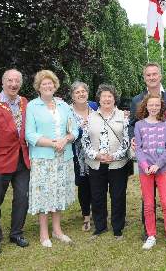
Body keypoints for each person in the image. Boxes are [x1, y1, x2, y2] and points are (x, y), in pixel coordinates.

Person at [25, 70, 78, 248]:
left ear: (55, 85)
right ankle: (43, 233)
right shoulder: (32, 106)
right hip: (43, 158)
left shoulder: (64, 106)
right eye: (43, 84)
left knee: (58, 192)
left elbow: (75, 130)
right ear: (38, 87)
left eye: (50, 83)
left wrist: (66, 139)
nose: (47, 86)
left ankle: (57, 230)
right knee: (44, 194)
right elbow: (30, 134)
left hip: (63, 157)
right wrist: (52, 143)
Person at [0, 69, 31, 256]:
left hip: (22, 160)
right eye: (9, 80)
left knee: (22, 199)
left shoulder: (25, 102)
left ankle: (16, 233)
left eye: (17, 81)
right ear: (3, 82)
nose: (13, 84)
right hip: (0, 161)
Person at [129, 62, 166, 239]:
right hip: (145, 154)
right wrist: (133, 137)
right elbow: (132, 123)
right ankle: (148, 230)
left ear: (160, 76)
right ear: (144, 77)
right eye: (148, 75)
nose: (152, 77)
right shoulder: (136, 100)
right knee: (147, 198)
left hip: (165, 154)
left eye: (155, 74)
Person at [82, 84, 130, 239]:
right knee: (97, 196)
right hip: (96, 164)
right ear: (99, 99)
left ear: (114, 98)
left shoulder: (124, 116)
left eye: (110, 96)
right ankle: (100, 226)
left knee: (117, 196)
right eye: (104, 96)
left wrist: (114, 156)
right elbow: (85, 141)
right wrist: (96, 155)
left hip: (117, 164)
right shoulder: (90, 118)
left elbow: (127, 141)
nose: (107, 99)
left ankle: (118, 228)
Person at [135, 94, 166, 252]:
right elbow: (138, 149)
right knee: (148, 205)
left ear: (161, 106)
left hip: (162, 169)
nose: (154, 107)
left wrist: (158, 165)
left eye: (156, 105)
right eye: (151, 105)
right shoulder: (139, 125)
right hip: (145, 170)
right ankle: (151, 235)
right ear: (146, 106)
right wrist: (145, 165)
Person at [70, 81, 98, 232]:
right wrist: (81, 128)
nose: (81, 94)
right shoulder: (67, 111)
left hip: (96, 151)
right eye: (77, 92)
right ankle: (86, 216)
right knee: (83, 184)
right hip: (78, 154)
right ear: (73, 96)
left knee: (97, 182)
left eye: (83, 91)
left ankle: (97, 212)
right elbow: (67, 133)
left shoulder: (94, 106)